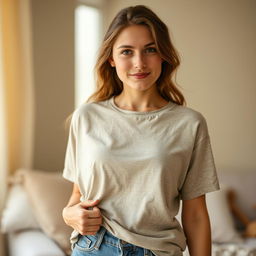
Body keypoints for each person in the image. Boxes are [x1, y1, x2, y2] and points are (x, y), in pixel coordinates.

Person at [62, 5, 220, 256]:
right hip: (94, 247)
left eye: (150, 50)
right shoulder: (86, 117)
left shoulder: (190, 124)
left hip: (158, 250)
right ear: (111, 58)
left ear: (164, 56)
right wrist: (68, 214)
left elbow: (196, 215)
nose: (139, 63)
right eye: (127, 51)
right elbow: (77, 195)